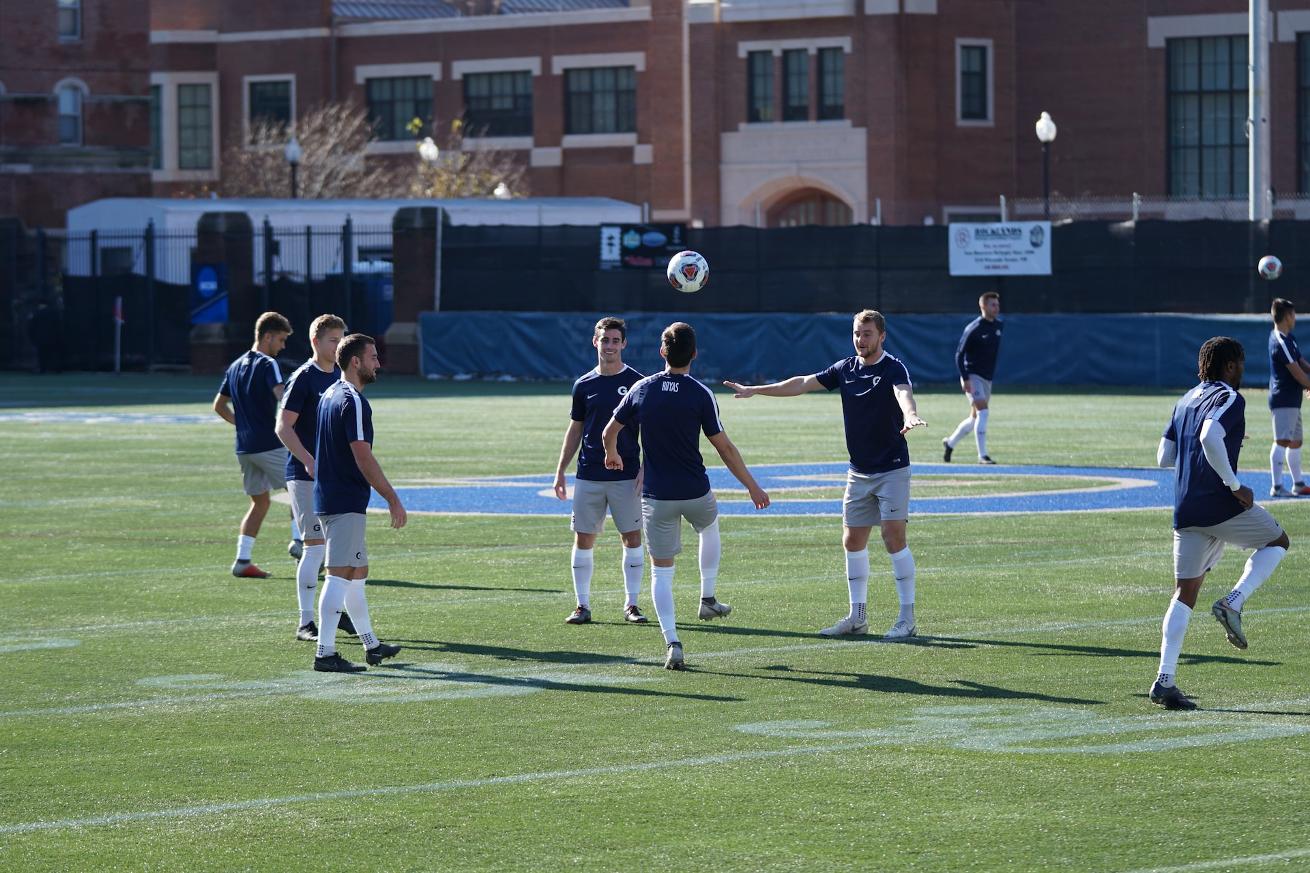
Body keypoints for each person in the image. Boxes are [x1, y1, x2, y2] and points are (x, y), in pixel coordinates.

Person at [724, 309, 927, 640]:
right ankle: (857, 617)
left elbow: (903, 393)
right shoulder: (845, 369)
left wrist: (911, 414)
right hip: (858, 471)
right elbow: (802, 383)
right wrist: (755, 390)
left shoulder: (893, 367)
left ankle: (907, 619)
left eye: (868, 334)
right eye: (857, 333)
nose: (861, 340)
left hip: (891, 468)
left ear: (882, 336)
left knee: (893, 538)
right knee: (852, 540)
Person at [603, 322, 770, 670]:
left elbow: (611, 431)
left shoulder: (641, 388)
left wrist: (613, 454)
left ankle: (673, 641)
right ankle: (707, 597)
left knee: (661, 573)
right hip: (695, 490)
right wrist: (752, 485)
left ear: (662, 352)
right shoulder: (699, 393)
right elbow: (723, 447)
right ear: (694, 354)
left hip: (657, 496)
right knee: (709, 528)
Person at [1151, 336, 1290, 710]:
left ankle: (1165, 679)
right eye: (1240, 364)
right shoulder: (1229, 397)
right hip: (1220, 504)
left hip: (1186, 507)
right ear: (1229, 366)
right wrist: (1234, 484)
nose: (1242, 371)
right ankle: (1233, 602)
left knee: (1185, 593)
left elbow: (1165, 455)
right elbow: (1210, 434)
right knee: (1278, 542)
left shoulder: (1185, 399)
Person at [312, 333, 408, 673]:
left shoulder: (329, 394)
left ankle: (371, 644)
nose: (378, 363)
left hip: (334, 497)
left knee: (356, 574)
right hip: (343, 500)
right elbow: (361, 455)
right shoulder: (351, 400)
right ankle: (324, 653)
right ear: (356, 362)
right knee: (338, 576)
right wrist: (392, 499)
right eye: (372, 357)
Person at [552, 317, 647, 625]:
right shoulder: (584, 384)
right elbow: (575, 428)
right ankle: (582, 606)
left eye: (615, 340)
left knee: (632, 538)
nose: (609, 346)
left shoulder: (637, 383)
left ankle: (632, 605)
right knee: (583, 539)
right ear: (595, 342)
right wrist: (560, 470)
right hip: (590, 473)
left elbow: (652, 429)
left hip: (626, 474)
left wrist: (647, 467)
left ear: (624, 344)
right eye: (604, 340)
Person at [276, 313, 349, 642]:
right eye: (333, 340)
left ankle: (336, 611)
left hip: (334, 475)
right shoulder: (304, 377)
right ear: (315, 342)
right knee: (315, 548)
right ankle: (306, 622)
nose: (338, 346)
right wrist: (308, 460)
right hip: (305, 474)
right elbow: (283, 427)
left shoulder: (341, 377)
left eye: (341, 339)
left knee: (339, 550)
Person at [213, 311, 293, 578]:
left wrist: (243, 424)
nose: (282, 346)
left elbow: (218, 406)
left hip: (244, 447)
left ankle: (242, 560)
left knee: (260, 503)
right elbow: (283, 398)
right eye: (280, 340)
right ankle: (300, 543)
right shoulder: (268, 364)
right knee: (302, 489)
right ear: (267, 336)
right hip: (269, 444)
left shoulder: (235, 366)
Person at [943, 291, 1002, 464]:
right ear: (983, 306)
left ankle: (950, 443)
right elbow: (959, 355)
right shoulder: (974, 328)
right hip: (972, 375)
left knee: (975, 418)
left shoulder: (999, 326)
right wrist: (965, 378)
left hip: (987, 378)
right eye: (993, 304)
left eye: (997, 305)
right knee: (983, 412)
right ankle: (982, 456)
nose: (996, 308)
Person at [1265, 298, 1310, 497]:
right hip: (1283, 398)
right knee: (1282, 440)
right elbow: (1297, 373)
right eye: (1293, 314)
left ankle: (1298, 484)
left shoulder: (1288, 338)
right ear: (1286, 316)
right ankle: (1277, 486)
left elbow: (1302, 364)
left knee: (1295, 442)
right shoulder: (1279, 341)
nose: (1295, 318)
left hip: (1292, 399)